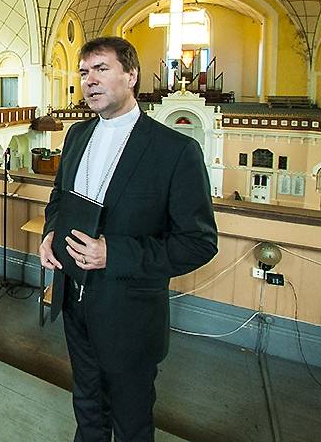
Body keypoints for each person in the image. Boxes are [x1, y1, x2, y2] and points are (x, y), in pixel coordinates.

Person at [39, 37, 218, 441]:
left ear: (131, 75)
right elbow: (59, 198)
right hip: (73, 301)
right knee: (87, 406)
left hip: (129, 314)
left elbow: (199, 242)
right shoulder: (76, 135)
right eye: (84, 72)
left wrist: (112, 253)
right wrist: (51, 232)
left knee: (132, 422)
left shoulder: (175, 150)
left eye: (101, 69)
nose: (89, 80)